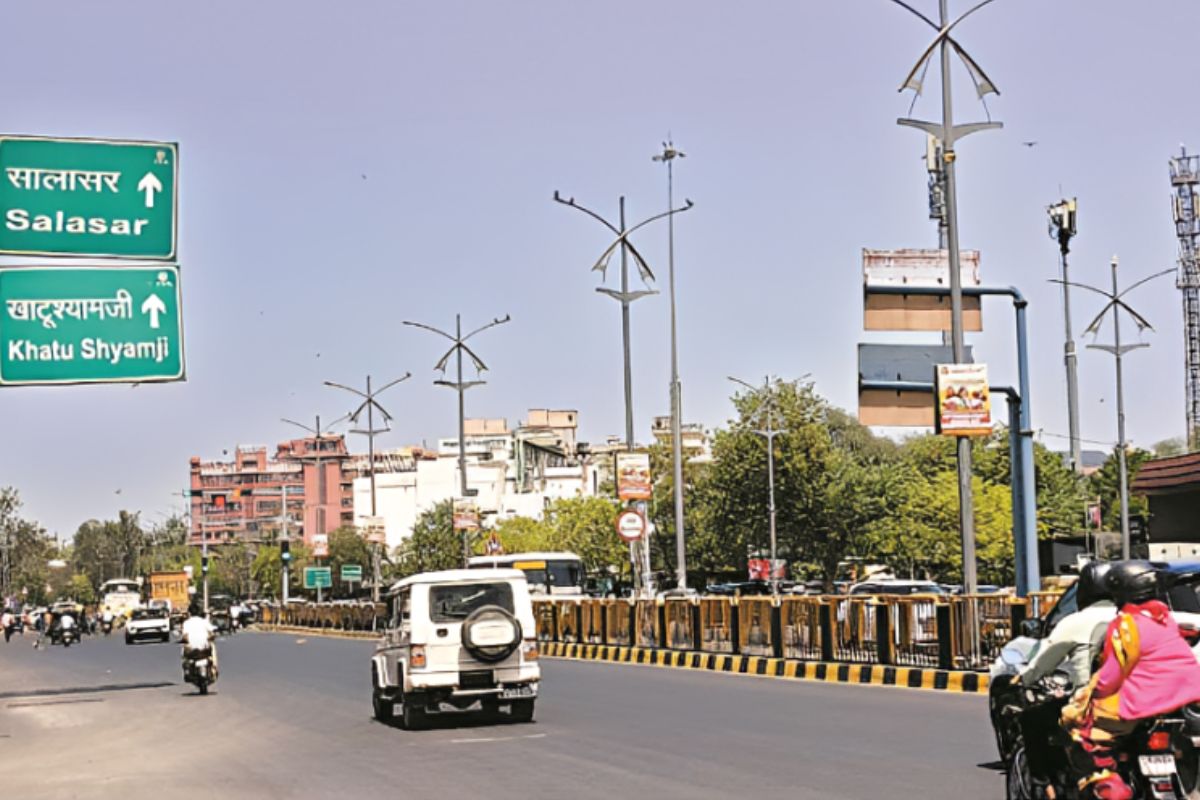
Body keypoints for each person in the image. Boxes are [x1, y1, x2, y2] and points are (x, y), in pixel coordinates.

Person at [1062, 561, 1200, 799]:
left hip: (1145, 703)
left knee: (1084, 733)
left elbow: (1111, 676)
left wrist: (1091, 695)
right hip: (1185, 698)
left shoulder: (1126, 624)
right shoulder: (1164, 617)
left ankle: (1110, 787)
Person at [1020, 561, 1117, 689]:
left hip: (1090, 701)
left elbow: (1039, 667)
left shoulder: (1073, 622)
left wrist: (1020, 680)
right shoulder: (1137, 620)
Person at [180, 604, 218, 678]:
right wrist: (210, 638)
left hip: (191, 650)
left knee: (183, 652)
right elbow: (211, 633)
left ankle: (186, 670)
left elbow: (185, 637)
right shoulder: (204, 621)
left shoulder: (186, 623)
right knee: (212, 648)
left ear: (189, 613)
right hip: (204, 649)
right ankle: (214, 669)